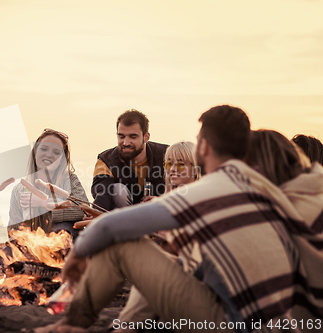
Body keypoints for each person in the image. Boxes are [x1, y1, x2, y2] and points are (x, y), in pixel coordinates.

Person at [37, 105, 320, 333]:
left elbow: (110, 225)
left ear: (204, 148)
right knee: (172, 264)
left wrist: (78, 254)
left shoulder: (224, 185)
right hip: (293, 319)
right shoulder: (283, 195)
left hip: (239, 323)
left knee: (121, 246)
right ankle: (125, 328)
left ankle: (72, 325)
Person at [116, 141, 201, 330]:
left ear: (195, 169)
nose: (173, 169)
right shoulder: (174, 198)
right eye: (169, 163)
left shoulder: (197, 200)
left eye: (181, 163)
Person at [8, 128, 88, 236]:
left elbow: (84, 210)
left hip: (64, 243)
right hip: (34, 245)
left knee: (61, 227)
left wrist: (46, 204)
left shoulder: (69, 180)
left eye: (56, 152)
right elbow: (13, 228)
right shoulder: (19, 190)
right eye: (44, 149)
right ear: (35, 152)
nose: (49, 155)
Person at [91, 109, 168, 211]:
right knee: (117, 190)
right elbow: (102, 192)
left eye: (133, 137)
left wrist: (160, 200)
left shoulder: (167, 155)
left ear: (146, 137)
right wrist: (94, 213)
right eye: (121, 136)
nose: (126, 142)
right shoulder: (105, 160)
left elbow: (186, 186)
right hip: (122, 217)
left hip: (159, 215)